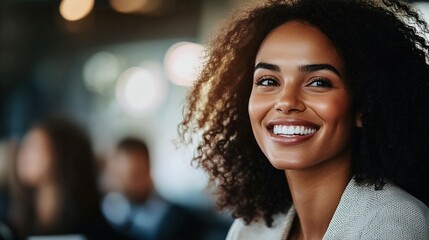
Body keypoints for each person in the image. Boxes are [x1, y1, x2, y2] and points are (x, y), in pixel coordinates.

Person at [178, 0, 429, 239]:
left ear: (363, 107)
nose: (286, 101)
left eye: (319, 82)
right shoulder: (250, 230)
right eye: (268, 81)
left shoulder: (394, 225)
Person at [9, 116, 124, 239]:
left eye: (34, 147)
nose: (23, 154)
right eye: (24, 145)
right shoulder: (15, 221)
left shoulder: (94, 228)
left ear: (61, 155)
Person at [101, 137, 202, 240]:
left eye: (135, 175)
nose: (127, 184)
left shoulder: (181, 221)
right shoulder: (111, 217)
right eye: (121, 176)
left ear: (148, 169)